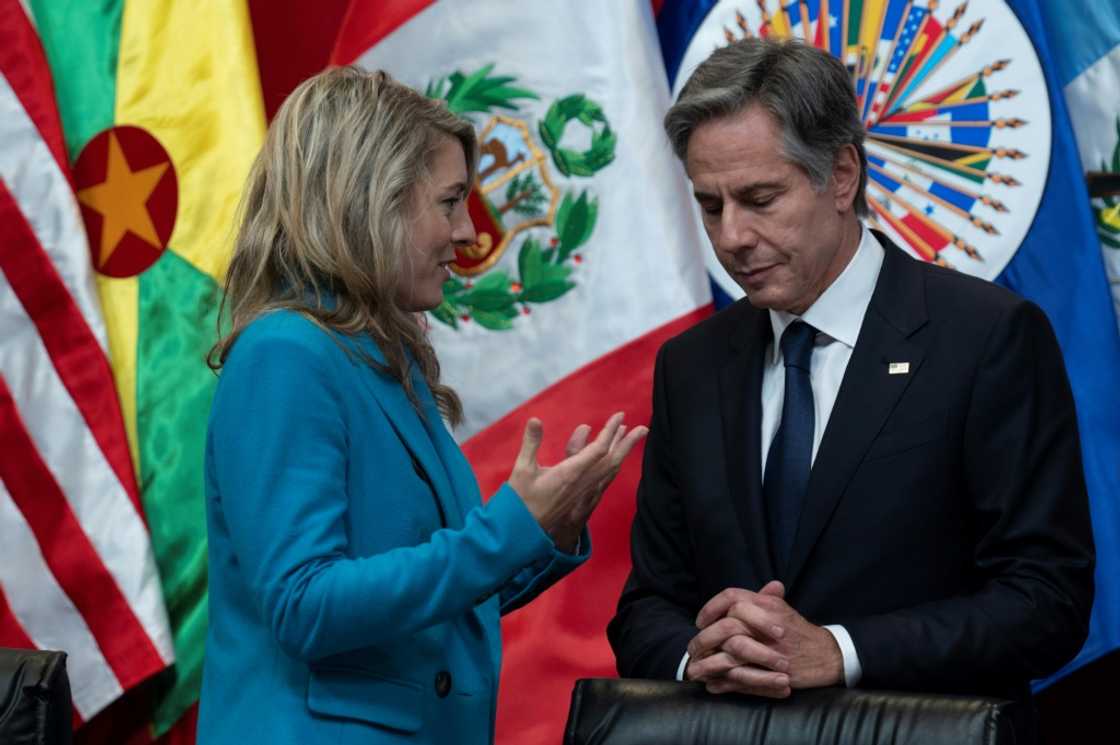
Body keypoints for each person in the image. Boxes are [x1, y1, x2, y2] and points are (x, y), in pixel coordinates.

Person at [608, 37, 1094, 714]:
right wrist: (700, 654)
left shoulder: (986, 338)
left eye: (759, 198)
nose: (731, 237)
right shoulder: (689, 365)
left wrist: (841, 651)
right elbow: (647, 605)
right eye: (710, 206)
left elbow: (1046, 600)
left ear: (841, 176)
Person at [197, 66, 646, 745]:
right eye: (450, 202)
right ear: (371, 201)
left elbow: (433, 603)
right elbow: (304, 605)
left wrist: (543, 530)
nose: (467, 232)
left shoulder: (377, 355)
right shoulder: (285, 354)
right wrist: (506, 529)